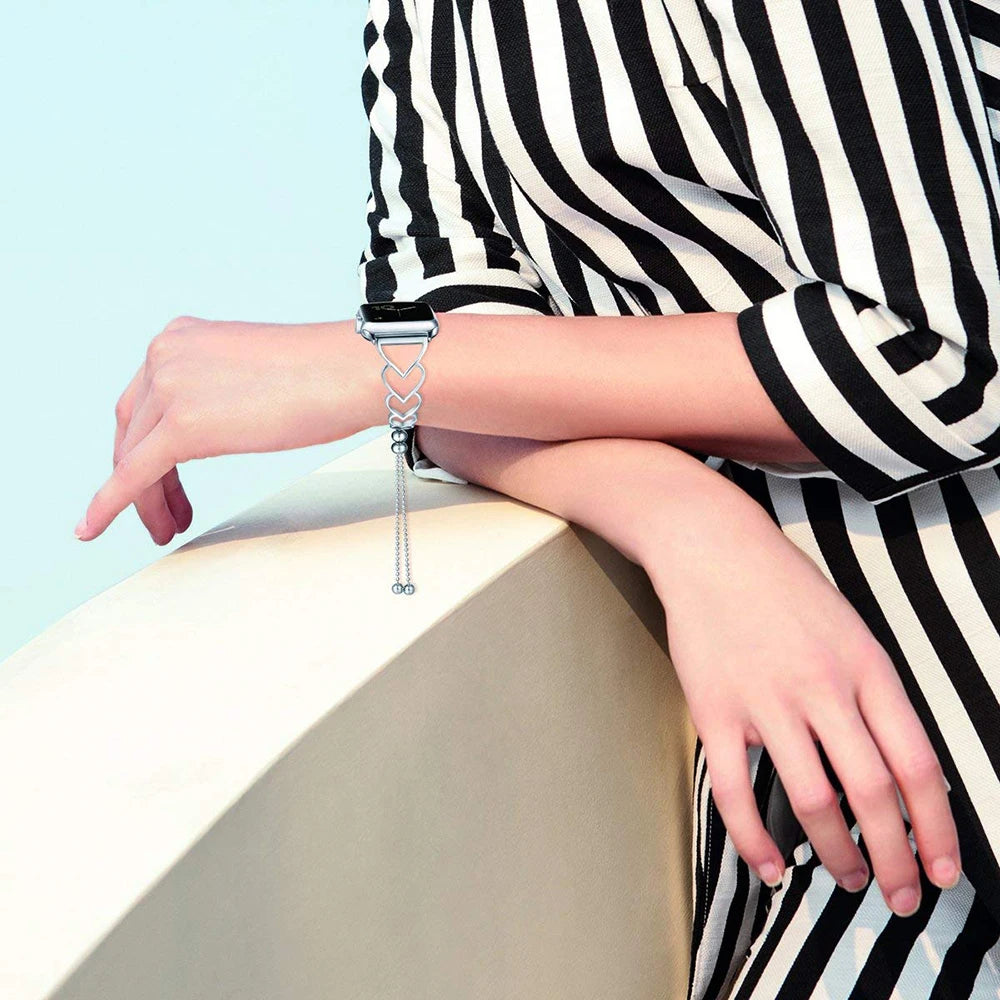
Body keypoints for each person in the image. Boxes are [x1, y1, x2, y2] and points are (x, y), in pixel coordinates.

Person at [76, 0, 1000, 995]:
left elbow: (939, 353)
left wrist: (377, 364)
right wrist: (684, 520)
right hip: (847, 786)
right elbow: (456, 334)